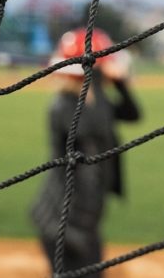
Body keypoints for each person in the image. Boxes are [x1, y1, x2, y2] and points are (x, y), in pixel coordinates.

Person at [31, 27, 140, 276]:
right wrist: (100, 78)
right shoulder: (62, 107)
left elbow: (133, 114)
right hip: (63, 223)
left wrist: (120, 84)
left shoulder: (97, 100)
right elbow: (91, 127)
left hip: (87, 218)